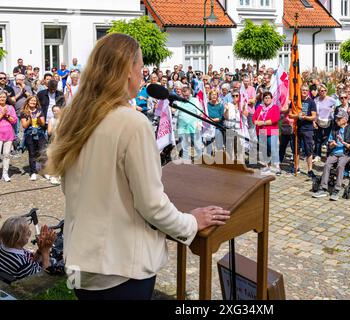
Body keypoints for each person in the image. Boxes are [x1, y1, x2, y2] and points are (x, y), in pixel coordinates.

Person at [45, 34, 230, 300]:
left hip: (80, 264)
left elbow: (72, 188)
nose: (143, 76)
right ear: (126, 73)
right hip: (119, 269)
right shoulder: (132, 124)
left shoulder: (74, 118)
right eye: (140, 67)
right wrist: (190, 222)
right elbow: (151, 204)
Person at [312, 109, 350, 201]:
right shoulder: (334, 129)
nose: (337, 121)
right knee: (327, 164)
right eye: (336, 119)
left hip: (345, 153)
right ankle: (323, 188)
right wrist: (332, 144)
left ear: (345, 119)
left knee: (340, 166)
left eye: (339, 119)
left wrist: (344, 143)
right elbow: (329, 143)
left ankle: (337, 189)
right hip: (334, 152)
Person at [0, 216, 56, 281]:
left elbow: (30, 264)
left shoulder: (4, 247)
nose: (30, 233)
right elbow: (44, 279)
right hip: (32, 285)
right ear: (18, 238)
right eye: (28, 233)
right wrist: (46, 251)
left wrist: (40, 250)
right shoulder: (21, 263)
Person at [289, 85, 317, 178]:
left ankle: (310, 170)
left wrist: (305, 117)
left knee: (309, 150)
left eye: (306, 90)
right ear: (300, 91)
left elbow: (314, 116)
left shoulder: (311, 102)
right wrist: (297, 116)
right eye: (302, 90)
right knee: (296, 149)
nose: (304, 92)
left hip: (307, 129)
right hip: (297, 128)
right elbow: (290, 115)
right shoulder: (296, 101)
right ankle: (296, 167)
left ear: (308, 91)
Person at [253, 91, 281, 175]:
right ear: (263, 99)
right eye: (265, 98)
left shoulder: (275, 107)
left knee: (273, 149)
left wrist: (263, 123)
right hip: (262, 131)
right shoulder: (259, 108)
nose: (267, 99)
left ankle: (277, 167)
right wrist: (255, 122)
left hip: (272, 130)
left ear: (272, 99)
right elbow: (254, 117)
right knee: (265, 150)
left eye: (269, 98)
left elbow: (275, 119)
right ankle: (267, 166)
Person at [20, 96, 47, 181]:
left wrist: (38, 118)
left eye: (35, 101)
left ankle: (45, 171)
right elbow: (24, 126)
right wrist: (31, 119)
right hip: (29, 134)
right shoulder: (24, 112)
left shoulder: (39, 110)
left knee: (42, 152)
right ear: (28, 101)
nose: (33, 102)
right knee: (32, 153)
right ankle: (33, 172)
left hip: (40, 133)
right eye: (31, 100)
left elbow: (42, 123)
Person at [314, 85, 336, 163]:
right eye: (321, 91)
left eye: (324, 90)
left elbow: (336, 108)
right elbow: (314, 112)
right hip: (319, 121)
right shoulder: (316, 100)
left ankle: (328, 155)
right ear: (319, 92)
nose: (322, 92)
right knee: (318, 139)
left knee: (327, 139)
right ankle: (318, 155)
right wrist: (314, 121)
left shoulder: (331, 100)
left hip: (328, 121)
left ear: (326, 91)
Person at [0, 91, 18, 182]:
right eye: (0, 97)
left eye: (4, 97)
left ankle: (5, 173)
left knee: (6, 155)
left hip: (8, 133)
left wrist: (6, 115)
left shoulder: (10, 107)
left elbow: (14, 121)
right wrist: (2, 114)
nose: (2, 98)